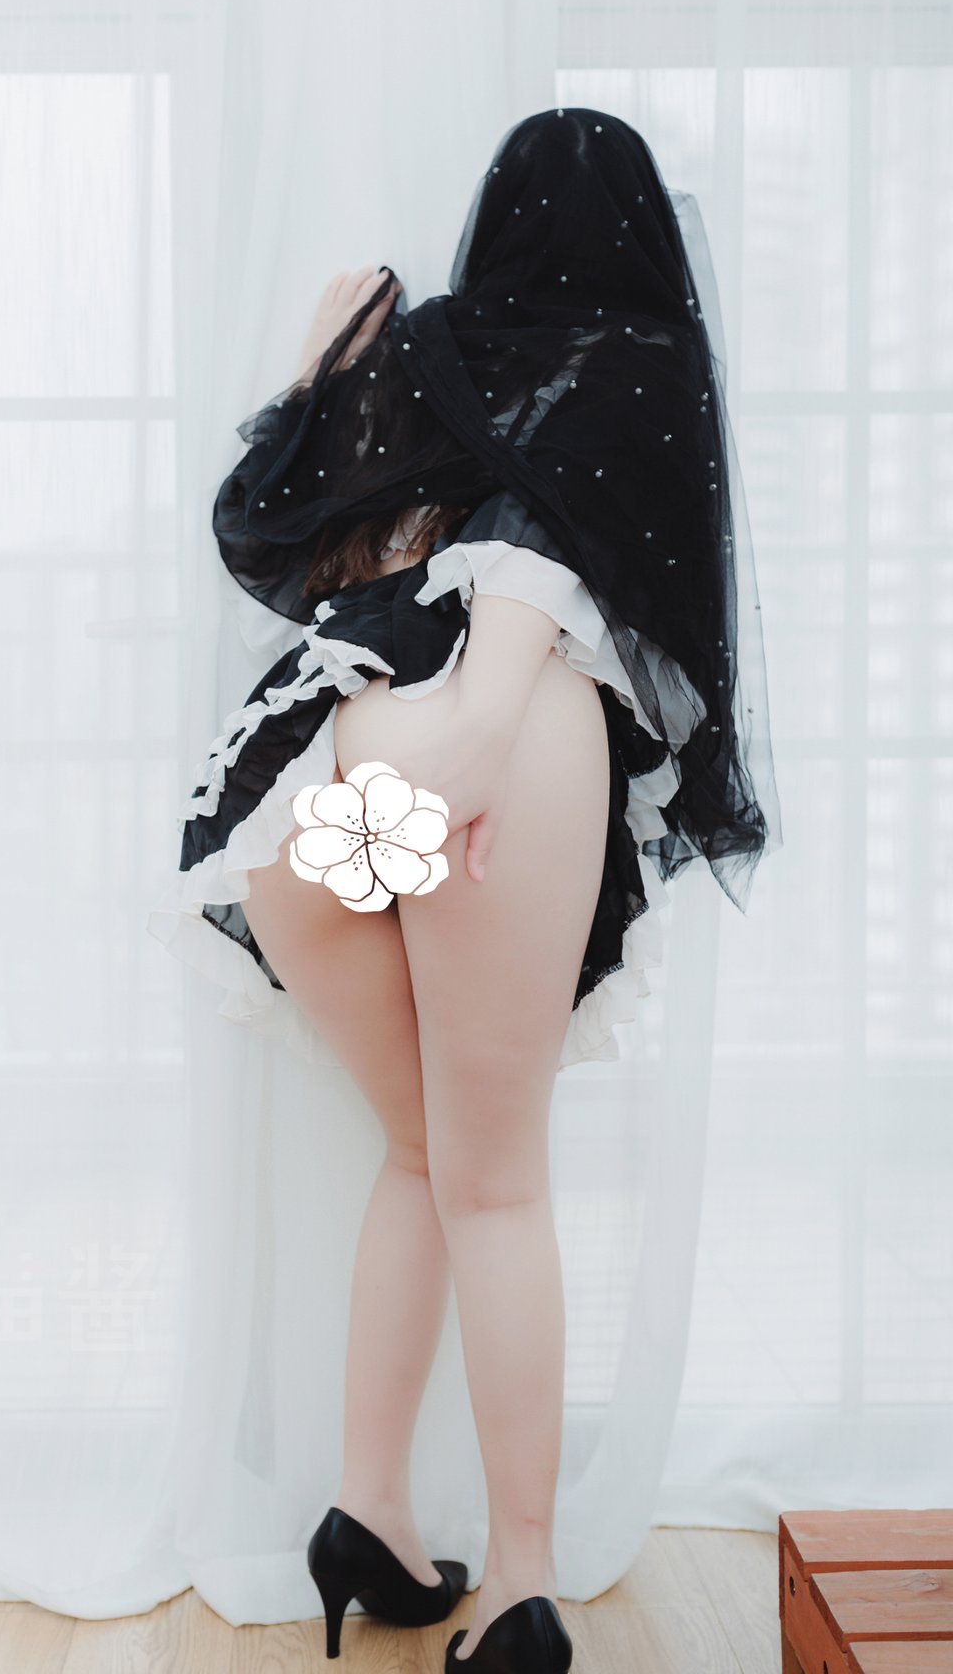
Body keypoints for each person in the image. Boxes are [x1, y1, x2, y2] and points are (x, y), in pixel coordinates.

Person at [148, 107, 782, 1673]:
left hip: (320, 767)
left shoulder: (426, 355)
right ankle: (520, 1585)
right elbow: (560, 563)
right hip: (484, 756)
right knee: (495, 1183)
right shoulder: (637, 365)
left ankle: (366, 1514)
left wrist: (322, 370)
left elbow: (270, 538)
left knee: (423, 1153)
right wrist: (490, 723)